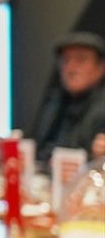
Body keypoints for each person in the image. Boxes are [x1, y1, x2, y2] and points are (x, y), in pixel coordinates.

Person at [32, 31, 105, 165]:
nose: (71, 68)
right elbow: (39, 146)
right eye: (65, 60)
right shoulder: (54, 102)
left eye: (81, 60)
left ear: (100, 68)